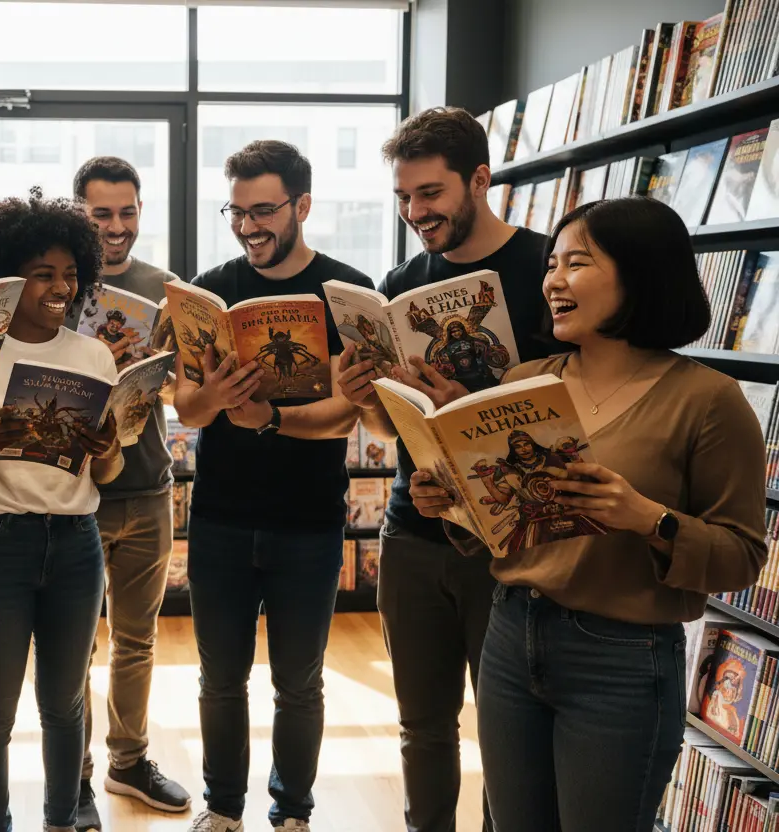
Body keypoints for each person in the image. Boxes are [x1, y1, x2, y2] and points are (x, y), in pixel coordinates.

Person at [406, 196, 767, 831]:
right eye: (552, 264)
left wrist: (649, 518)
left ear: (641, 273)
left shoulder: (708, 399)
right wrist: (451, 504)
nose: (553, 280)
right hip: (509, 635)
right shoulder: (524, 383)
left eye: (577, 263)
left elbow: (742, 556)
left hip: (621, 659)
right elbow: (505, 529)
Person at [338, 107, 557, 832]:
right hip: (413, 529)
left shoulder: (546, 271)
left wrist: (467, 403)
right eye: (404, 197)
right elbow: (388, 429)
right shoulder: (402, 282)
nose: (415, 212)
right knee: (422, 724)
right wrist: (364, 399)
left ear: (480, 180)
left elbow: (570, 418)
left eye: (430, 193)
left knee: (508, 732)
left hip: (510, 538)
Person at [176, 140, 371, 832]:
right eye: (237, 211)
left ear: (302, 205)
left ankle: (292, 812)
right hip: (220, 518)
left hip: (309, 520)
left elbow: (346, 413)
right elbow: (187, 408)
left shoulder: (345, 292)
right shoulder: (208, 290)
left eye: (263, 211)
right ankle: (223, 809)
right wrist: (219, 397)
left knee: (299, 683)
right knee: (220, 681)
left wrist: (269, 419)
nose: (248, 226)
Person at [0, 191, 124, 832]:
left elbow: (106, 474)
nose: (61, 288)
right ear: (5, 278)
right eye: (43, 274)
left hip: (76, 544)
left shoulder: (94, 356)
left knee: (65, 705)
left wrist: (107, 448)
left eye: (70, 274)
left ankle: (60, 822)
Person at [71, 156, 190, 831]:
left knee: (137, 639)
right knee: (74, 647)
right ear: (80, 214)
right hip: (73, 495)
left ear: (141, 211)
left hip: (146, 488)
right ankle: (75, 776)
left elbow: (184, 391)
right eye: (101, 214)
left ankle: (129, 761)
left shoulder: (165, 289)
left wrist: (160, 376)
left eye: (127, 212)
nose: (116, 227)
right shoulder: (56, 284)